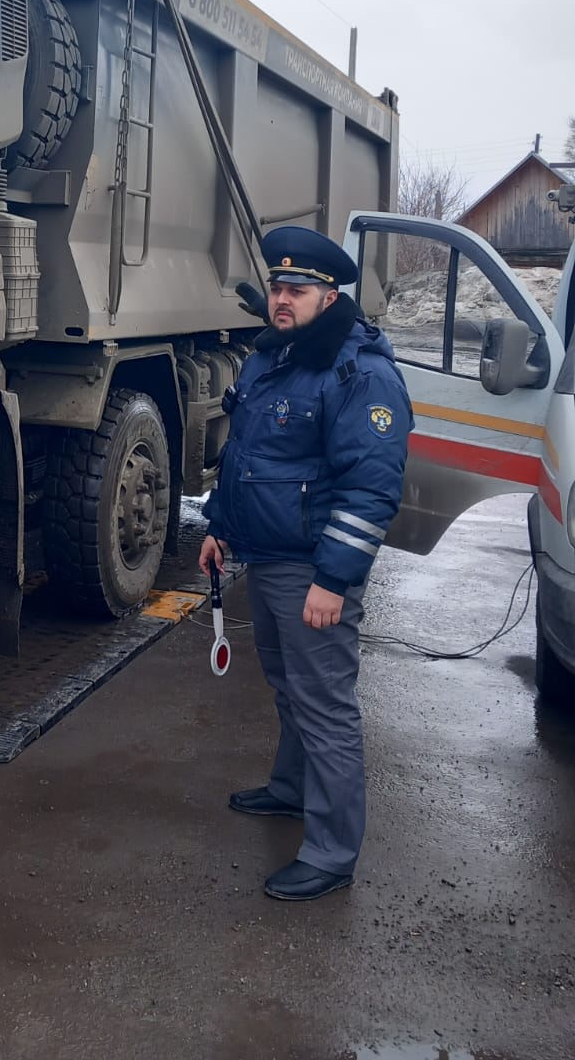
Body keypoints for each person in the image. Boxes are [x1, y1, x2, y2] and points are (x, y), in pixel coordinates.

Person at [198, 225, 412, 902]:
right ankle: (290, 791)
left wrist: (333, 578)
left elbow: (371, 487)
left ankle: (331, 851)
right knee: (290, 687)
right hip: (267, 555)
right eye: (276, 287)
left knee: (325, 707)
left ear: (329, 295)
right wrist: (221, 528)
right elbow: (250, 456)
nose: (281, 299)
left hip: (313, 566)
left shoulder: (358, 370)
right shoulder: (273, 355)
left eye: (296, 290)